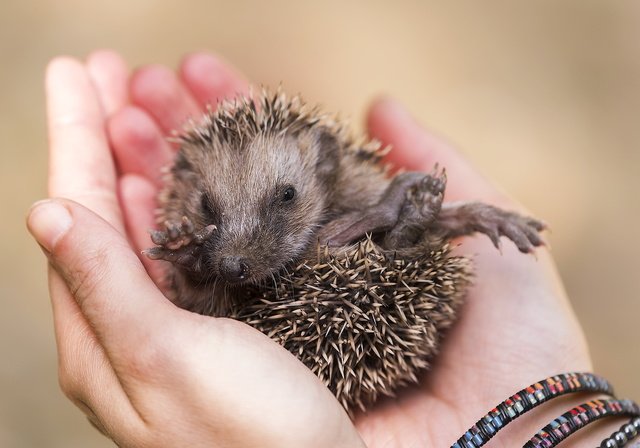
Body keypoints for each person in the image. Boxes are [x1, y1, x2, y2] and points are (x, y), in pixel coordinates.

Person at [27, 50, 607, 447]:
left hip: (377, 272)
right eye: (211, 210)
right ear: (187, 191)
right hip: (286, 325)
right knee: (241, 275)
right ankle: (392, 226)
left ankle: (395, 228)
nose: (241, 248)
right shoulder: (203, 224)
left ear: (323, 165)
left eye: (281, 199)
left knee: (401, 242)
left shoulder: (341, 177)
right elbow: (212, 295)